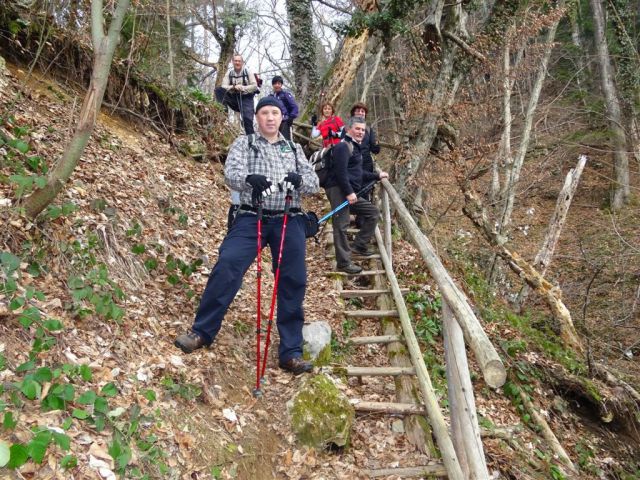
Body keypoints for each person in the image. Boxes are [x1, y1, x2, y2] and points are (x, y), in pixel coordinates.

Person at [175, 97, 320, 375]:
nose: (269, 117)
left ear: (282, 117)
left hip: (289, 219)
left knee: (293, 281)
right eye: (264, 112)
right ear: (257, 117)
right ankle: (202, 331)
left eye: (274, 112)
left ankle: (290, 352)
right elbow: (231, 174)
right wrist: (249, 180)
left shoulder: (294, 148)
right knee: (228, 264)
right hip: (250, 216)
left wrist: (300, 181)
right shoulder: (245, 143)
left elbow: (313, 182)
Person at [323, 116, 388, 274]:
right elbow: (340, 173)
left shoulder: (355, 147)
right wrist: (349, 192)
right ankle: (344, 263)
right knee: (342, 224)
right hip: (339, 189)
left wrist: (376, 176)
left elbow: (358, 173)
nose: (360, 132)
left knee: (373, 212)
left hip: (349, 190)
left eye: (363, 130)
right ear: (348, 128)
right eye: (357, 129)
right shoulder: (343, 147)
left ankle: (359, 245)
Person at [214, 54, 258, 134]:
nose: (237, 63)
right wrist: (233, 87)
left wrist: (243, 88)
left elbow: (255, 86)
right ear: (232, 62)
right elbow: (223, 86)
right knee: (218, 90)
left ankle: (251, 140)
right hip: (234, 98)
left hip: (246, 99)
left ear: (242, 62)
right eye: (235, 61)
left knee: (247, 120)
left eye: (239, 61)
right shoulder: (229, 73)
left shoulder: (247, 72)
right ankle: (223, 116)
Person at [269, 75, 299, 140]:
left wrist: (291, 118)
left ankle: (287, 150)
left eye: (279, 83)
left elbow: (294, 107)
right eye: (275, 83)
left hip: (284, 121)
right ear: (272, 85)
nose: (277, 85)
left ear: (281, 85)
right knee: (274, 141)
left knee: (285, 142)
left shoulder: (286, 95)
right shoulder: (270, 97)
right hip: (274, 123)